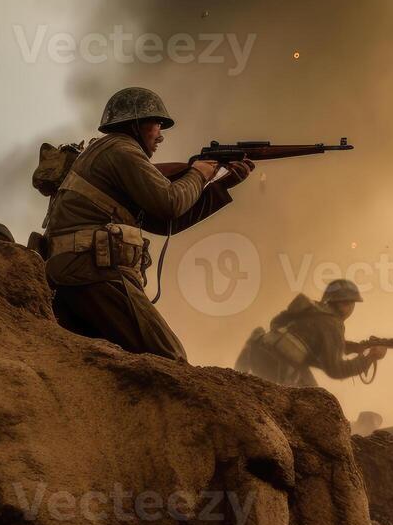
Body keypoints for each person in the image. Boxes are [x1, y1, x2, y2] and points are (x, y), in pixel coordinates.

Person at [40, 87, 254, 362]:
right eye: (157, 124)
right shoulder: (121, 149)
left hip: (76, 272)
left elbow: (167, 221)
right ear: (137, 124)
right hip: (93, 271)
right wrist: (199, 174)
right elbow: (169, 203)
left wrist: (223, 185)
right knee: (168, 356)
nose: (161, 135)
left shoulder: (109, 152)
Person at [234, 279, 388, 387]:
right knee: (320, 405)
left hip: (257, 353)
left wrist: (355, 348)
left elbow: (276, 323)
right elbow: (336, 370)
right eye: (352, 304)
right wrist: (370, 358)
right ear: (346, 304)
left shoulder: (311, 310)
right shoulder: (333, 325)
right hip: (280, 369)